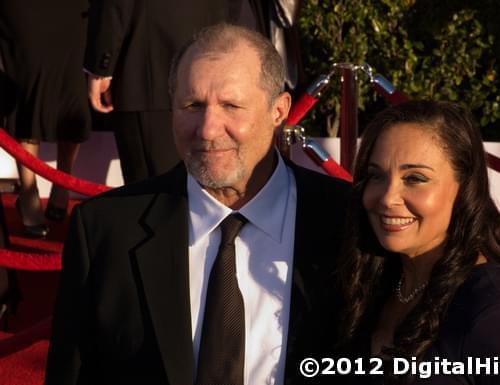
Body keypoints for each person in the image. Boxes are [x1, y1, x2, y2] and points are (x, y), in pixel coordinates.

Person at [45, 23, 350, 385]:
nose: (207, 128)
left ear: (279, 110)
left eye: (231, 105)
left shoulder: (347, 222)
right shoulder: (104, 230)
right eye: (192, 105)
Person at [337, 100, 500, 384]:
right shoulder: (382, 276)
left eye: (415, 178)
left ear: (464, 187)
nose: (387, 197)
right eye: (375, 175)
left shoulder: (491, 314)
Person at [84, 0, 296, 184]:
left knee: (151, 196)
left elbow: (114, 6)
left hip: (149, 69)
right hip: (216, 62)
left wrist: (102, 66)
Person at [0, 0, 91, 237]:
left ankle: (62, 184)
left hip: (71, 10)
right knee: (30, 92)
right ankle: (28, 193)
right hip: (25, 11)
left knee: (72, 92)